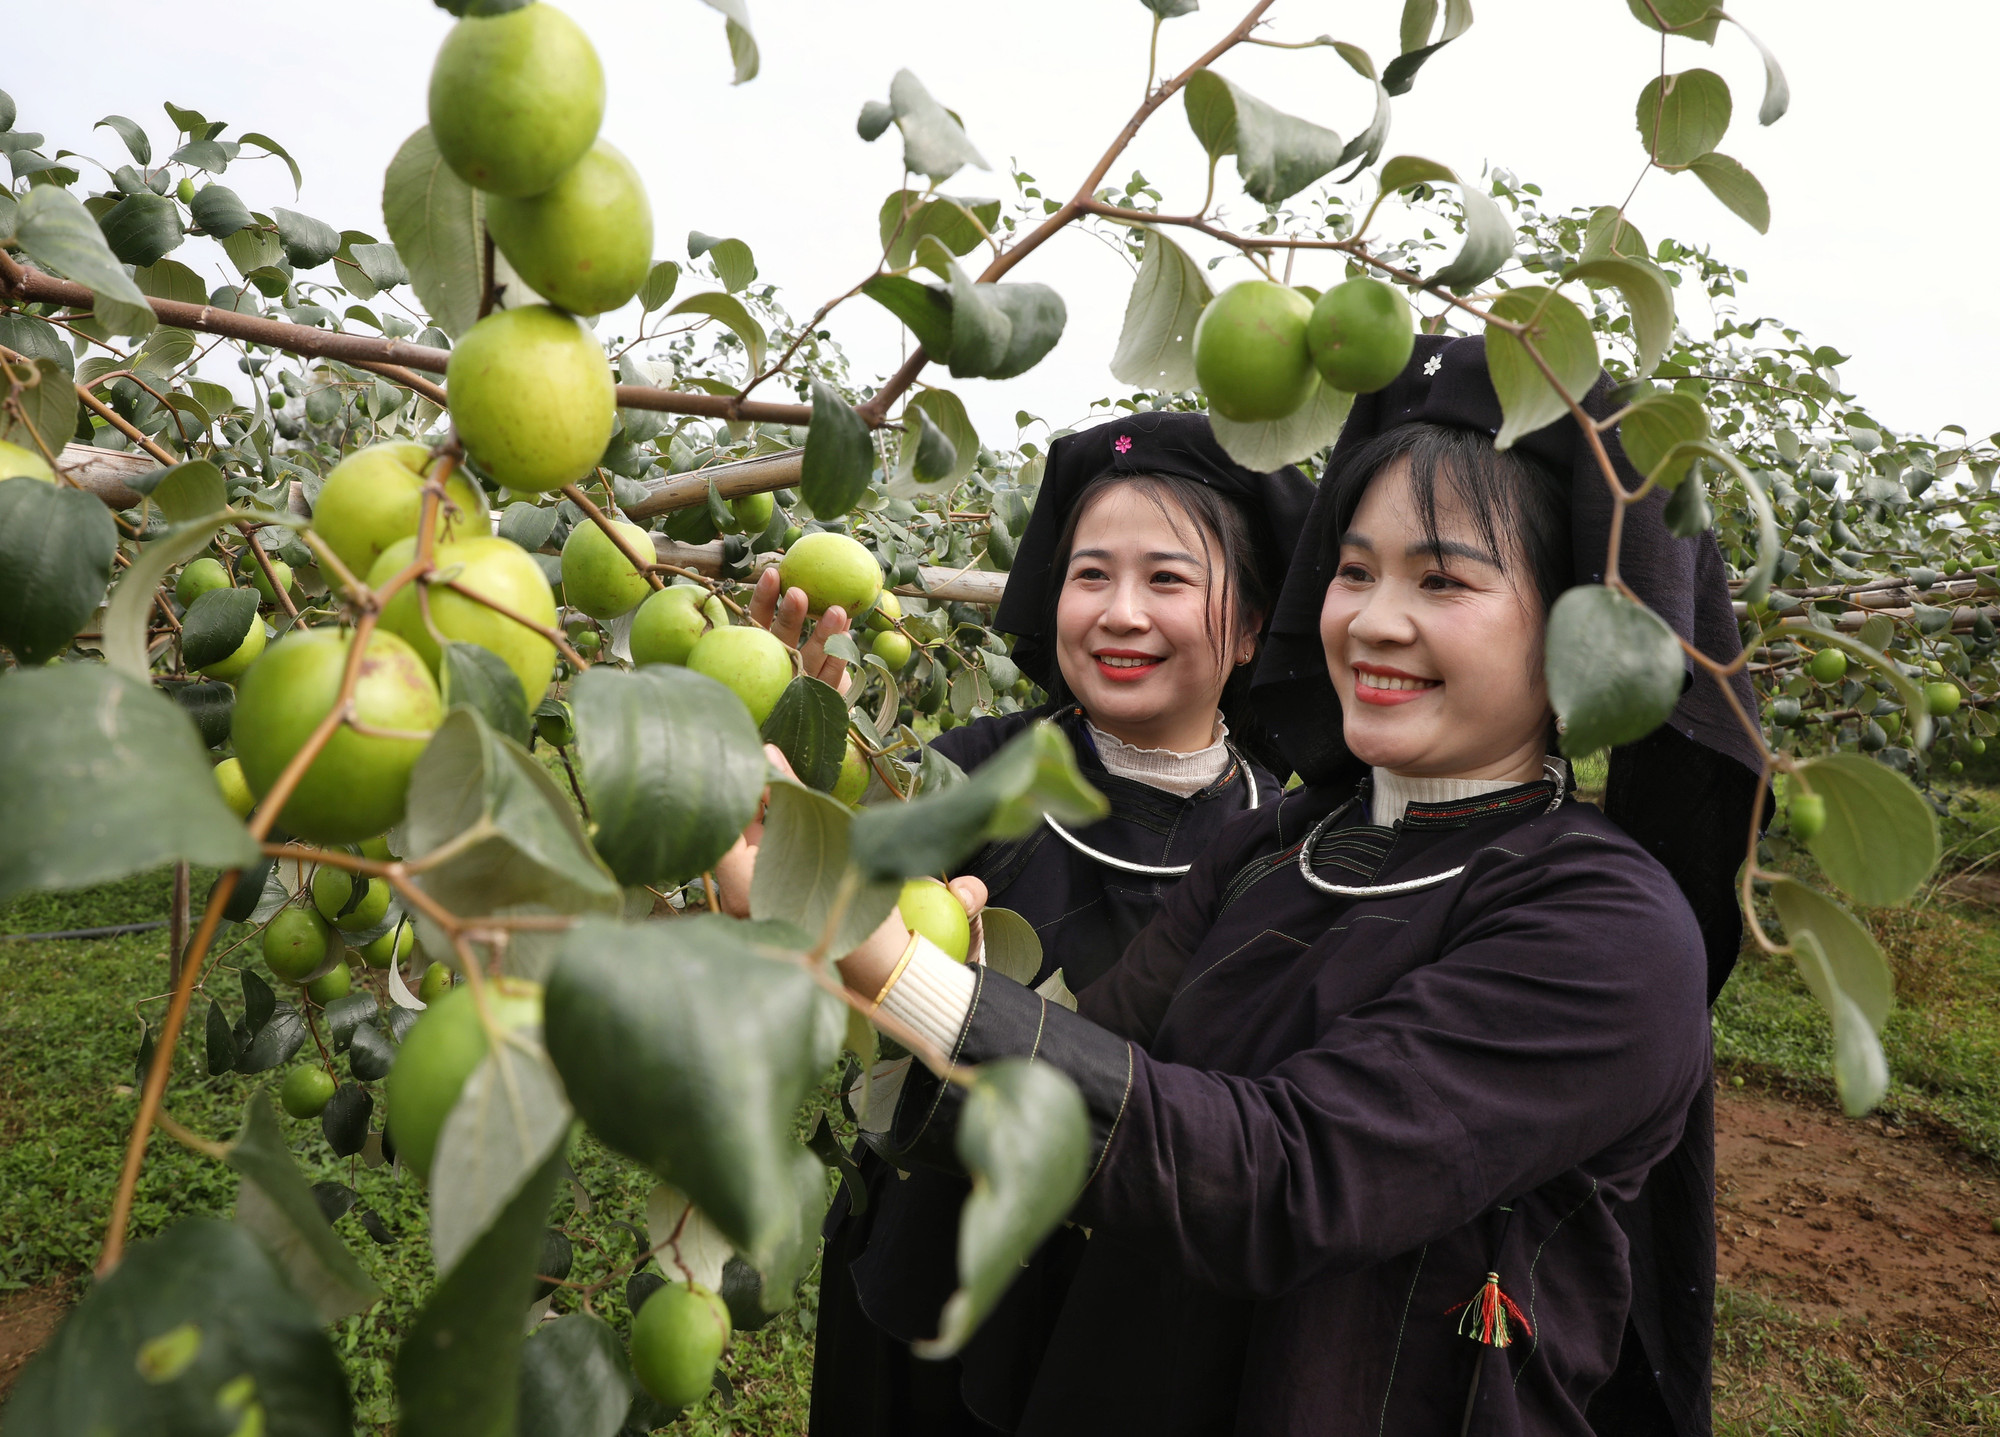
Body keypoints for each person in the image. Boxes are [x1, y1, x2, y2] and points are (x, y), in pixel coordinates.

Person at [820, 335, 1763, 1435]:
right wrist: (878, 930)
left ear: (1580, 637)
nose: (1369, 620)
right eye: (1354, 570)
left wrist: (896, 970)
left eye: (1442, 578)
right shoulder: (1276, 844)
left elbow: (1285, 1177)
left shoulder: (1609, 928)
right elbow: (1101, 1062)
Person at [740, 413, 1314, 1434]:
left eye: (1168, 580)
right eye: (1088, 575)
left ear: (1249, 626)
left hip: (1139, 1327)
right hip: (922, 1279)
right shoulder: (968, 772)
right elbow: (806, 958)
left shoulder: (1290, 842)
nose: (1117, 612)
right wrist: (789, 783)